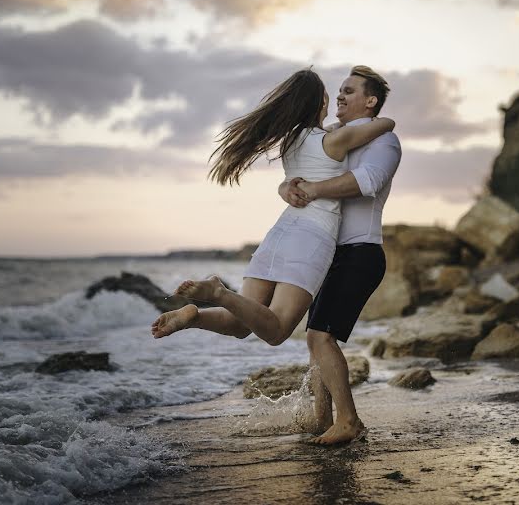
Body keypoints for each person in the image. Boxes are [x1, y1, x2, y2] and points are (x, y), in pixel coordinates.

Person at [150, 69, 394, 391]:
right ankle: (218, 292)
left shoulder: (290, 141)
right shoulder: (334, 140)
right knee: (277, 329)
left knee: (241, 324)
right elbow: (384, 124)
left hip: (279, 234)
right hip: (311, 238)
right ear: (320, 102)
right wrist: (370, 121)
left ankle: (195, 315)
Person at [279, 65, 401, 445]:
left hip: (360, 252)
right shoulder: (333, 138)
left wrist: (314, 189)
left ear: (371, 101)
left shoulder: (384, 142)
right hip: (329, 252)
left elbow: (367, 182)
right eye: (339, 91)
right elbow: (300, 173)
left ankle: (349, 421)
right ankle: (322, 418)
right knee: (314, 338)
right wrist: (288, 187)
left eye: (350, 91)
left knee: (321, 336)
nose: (341, 97)